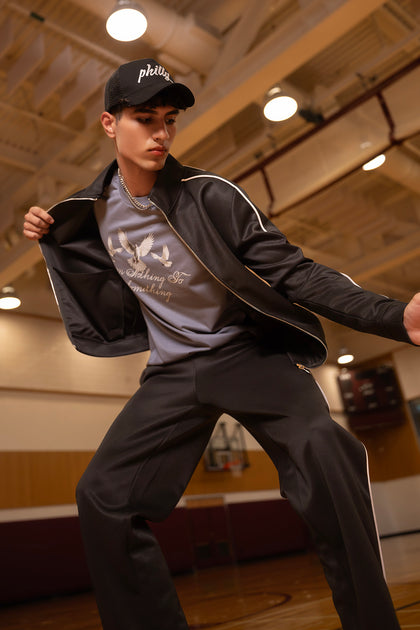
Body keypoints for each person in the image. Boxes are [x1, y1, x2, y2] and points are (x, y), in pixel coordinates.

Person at [23, 58, 420, 630]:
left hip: (248, 355)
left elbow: (295, 274)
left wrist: (394, 317)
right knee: (103, 497)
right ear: (110, 124)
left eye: (169, 120)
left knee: (326, 454)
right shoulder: (87, 213)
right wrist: (49, 232)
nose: (160, 133)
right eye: (144, 119)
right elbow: (87, 278)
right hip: (173, 373)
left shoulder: (211, 195)